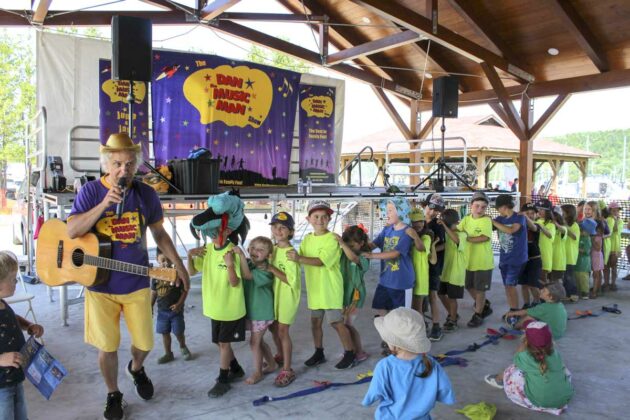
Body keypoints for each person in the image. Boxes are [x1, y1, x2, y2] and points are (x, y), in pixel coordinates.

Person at [67, 133, 189, 420]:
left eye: (130, 164)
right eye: (118, 164)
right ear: (106, 164)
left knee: (146, 343)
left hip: (136, 282)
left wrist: (178, 264)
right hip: (100, 285)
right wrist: (103, 205)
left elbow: (159, 233)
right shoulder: (90, 192)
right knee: (107, 346)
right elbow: (72, 231)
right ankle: (113, 393)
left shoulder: (146, 193)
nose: (124, 170)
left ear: (137, 165)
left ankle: (135, 368)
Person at [292, 201, 355, 369]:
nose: (320, 220)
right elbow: (300, 258)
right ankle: (319, 352)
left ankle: (350, 353)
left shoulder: (332, 239)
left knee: (336, 322)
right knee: (315, 322)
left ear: (329, 218)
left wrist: (297, 258)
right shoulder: (307, 239)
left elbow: (319, 262)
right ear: (308, 219)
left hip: (330, 289)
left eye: (324, 217)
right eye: (316, 216)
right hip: (315, 289)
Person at [362, 308, 455, 419]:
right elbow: (445, 390)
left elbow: (374, 392)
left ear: (392, 342)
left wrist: (367, 401)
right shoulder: (431, 363)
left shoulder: (384, 366)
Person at [188, 221, 246, 398]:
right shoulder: (207, 249)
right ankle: (235, 368)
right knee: (219, 342)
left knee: (223, 343)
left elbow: (235, 282)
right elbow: (191, 272)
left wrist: (229, 264)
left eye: (217, 230)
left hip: (231, 307)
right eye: (210, 231)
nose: (213, 234)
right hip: (214, 307)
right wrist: (189, 256)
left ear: (227, 231)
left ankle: (223, 380)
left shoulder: (233, 251)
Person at [484, 321, 573, 415]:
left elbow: (516, 358)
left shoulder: (524, 356)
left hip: (541, 401)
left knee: (514, 370)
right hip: (565, 397)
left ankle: (499, 379)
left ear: (526, 340)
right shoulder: (555, 354)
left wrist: (523, 344)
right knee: (562, 370)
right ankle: (556, 392)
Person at [236, 236, 287, 385]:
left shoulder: (266, 270)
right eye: (252, 248)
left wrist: (240, 255)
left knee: (254, 343)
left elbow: (246, 275)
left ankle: (258, 372)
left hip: (261, 312)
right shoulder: (251, 264)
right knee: (259, 341)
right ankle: (271, 364)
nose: (254, 251)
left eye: (260, 250)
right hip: (253, 311)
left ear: (268, 255)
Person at [0, 251, 45, 420]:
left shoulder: (2, 304)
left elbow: (11, 318)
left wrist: (28, 325)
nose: (16, 282)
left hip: (15, 376)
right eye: (13, 280)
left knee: (20, 414)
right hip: (1, 385)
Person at [366, 197, 415, 315]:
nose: (386, 213)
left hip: (401, 282)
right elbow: (373, 244)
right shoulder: (387, 229)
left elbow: (395, 253)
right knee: (381, 308)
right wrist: (357, 245)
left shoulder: (407, 232)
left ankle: (399, 333)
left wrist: (370, 255)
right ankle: (390, 332)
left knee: (402, 316)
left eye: (390, 211)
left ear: (401, 211)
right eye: (386, 210)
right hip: (385, 280)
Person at [268, 212, 300, 387]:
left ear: (291, 232)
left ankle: (288, 369)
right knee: (273, 328)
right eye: (275, 227)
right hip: (273, 295)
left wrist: (272, 268)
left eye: (283, 228)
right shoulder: (272, 249)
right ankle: (280, 355)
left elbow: (291, 280)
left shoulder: (290, 254)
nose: (278, 230)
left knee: (282, 331)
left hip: (287, 296)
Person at [491, 194, 528, 326]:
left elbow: (511, 230)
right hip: (504, 258)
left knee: (511, 285)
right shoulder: (500, 218)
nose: (497, 210)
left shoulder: (520, 218)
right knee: (507, 286)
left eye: (498, 207)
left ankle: (514, 312)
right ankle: (512, 310)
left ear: (504, 206)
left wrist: (493, 222)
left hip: (516, 258)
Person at [458, 191, 494, 328]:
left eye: (483, 207)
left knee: (480, 290)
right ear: (471, 205)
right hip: (468, 261)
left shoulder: (486, 220)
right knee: (468, 286)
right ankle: (484, 305)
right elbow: (458, 229)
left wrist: (465, 238)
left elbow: (484, 237)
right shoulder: (466, 218)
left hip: (483, 262)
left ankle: (478, 314)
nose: (479, 209)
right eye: (477, 206)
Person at [336, 225, 371, 363]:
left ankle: (359, 352)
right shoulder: (344, 254)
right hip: (343, 295)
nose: (348, 248)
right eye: (347, 245)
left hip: (355, 296)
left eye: (351, 245)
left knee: (348, 325)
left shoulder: (363, 256)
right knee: (343, 324)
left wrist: (342, 244)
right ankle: (350, 349)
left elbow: (354, 259)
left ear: (361, 244)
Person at [150, 248, 191, 364]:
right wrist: (150, 307)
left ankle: (183, 347)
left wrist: (179, 304)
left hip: (176, 311)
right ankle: (168, 354)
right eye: (162, 260)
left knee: (178, 332)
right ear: (157, 260)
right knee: (164, 333)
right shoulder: (156, 277)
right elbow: (153, 293)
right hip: (162, 312)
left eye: (168, 260)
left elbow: (184, 291)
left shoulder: (178, 274)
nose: (166, 262)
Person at [503, 282, 567, 339]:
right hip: (558, 334)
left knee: (529, 317)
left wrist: (512, 313)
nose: (541, 290)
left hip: (549, 336)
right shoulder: (560, 305)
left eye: (544, 291)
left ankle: (515, 326)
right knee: (536, 315)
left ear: (551, 297)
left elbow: (526, 311)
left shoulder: (544, 307)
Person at [438, 209, 467, 332]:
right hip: (446, 270)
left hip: (456, 272)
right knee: (440, 293)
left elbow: (455, 240)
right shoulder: (448, 233)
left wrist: (444, 225)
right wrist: (431, 251)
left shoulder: (462, 234)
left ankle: (453, 320)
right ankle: (452, 313)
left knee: (452, 297)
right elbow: (446, 245)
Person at [409, 208, 436, 330]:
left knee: (417, 307)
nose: (418, 224)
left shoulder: (426, 237)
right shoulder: (408, 238)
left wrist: (413, 235)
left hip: (420, 277)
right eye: (414, 222)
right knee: (410, 307)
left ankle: (421, 330)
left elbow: (420, 248)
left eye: (420, 221)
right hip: (409, 276)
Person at [424, 194, 446, 341]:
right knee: (417, 297)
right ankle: (420, 322)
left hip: (433, 266)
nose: (432, 212)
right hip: (418, 266)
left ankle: (436, 325)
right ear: (424, 205)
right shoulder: (416, 222)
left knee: (432, 295)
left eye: (436, 210)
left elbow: (443, 245)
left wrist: (429, 253)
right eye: (431, 208)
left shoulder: (438, 225)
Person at [518, 203, 545, 308]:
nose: (529, 215)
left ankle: (537, 302)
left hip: (534, 259)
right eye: (527, 213)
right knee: (524, 285)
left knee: (533, 284)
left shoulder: (537, 225)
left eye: (532, 213)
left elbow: (533, 228)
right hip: (522, 259)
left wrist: (523, 216)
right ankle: (526, 304)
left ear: (536, 214)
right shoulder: (519, 226)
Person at [584, 201, 604, 298]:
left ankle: (595, 291)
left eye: (589, 209)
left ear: (594, 210)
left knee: (596, 273)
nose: (587, 211)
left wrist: (591, 236)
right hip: (587, 252)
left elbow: (598, 247)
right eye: (586, 209)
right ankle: (591, 289)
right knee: (588, 272)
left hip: (595, 253)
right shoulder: (584, 221)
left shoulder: (599, 223)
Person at [561, 204, 580, 302]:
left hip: (570, 255)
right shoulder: (562, 224)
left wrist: (565, 225)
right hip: (562, 254)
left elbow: (574, 236)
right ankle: (567, 294)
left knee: (569, 276)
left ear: (568, 213)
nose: (561, 214)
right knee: (564, 276)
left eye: (563, 212)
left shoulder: (575, 225)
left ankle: (574, 294)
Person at [535, 199, 556, 284]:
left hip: (545, 253)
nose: (539, 211)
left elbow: (550, 235)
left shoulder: (551, 224)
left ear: (548, 211)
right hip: (536, 252)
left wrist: (540, 226)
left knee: (543, 276)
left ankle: (544, 295)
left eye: (542, 209)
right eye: (538, 209)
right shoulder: (536, 220)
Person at [575, 219, 595, 299]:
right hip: (577, 262)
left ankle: (585, 293)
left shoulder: (587, 239)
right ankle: (579, 291)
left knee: (584, 279)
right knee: (576, 277)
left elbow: (586, 251)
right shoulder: (579, 237)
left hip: (584, 264)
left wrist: (576, 248)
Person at [604, 202, 622, 291]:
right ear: (610, 211)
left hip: (615, 246)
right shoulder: (608, 219)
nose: (616, 212)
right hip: (607, 246)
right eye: (613, 210)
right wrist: (612, 220)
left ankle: (613, 283)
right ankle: (606, 283)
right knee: (606, 266)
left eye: (617, 210)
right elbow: (608, 231)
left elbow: (616, 230)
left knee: (614, 265)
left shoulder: (620, 221)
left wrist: (615, 220)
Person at [550, 206, 568, 282]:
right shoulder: (548, 227)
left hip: (558, 261)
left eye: (554, 215)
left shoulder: (563, 228)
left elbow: (564, 230)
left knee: (557, 282)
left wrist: (555, 224)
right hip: (549, 260)